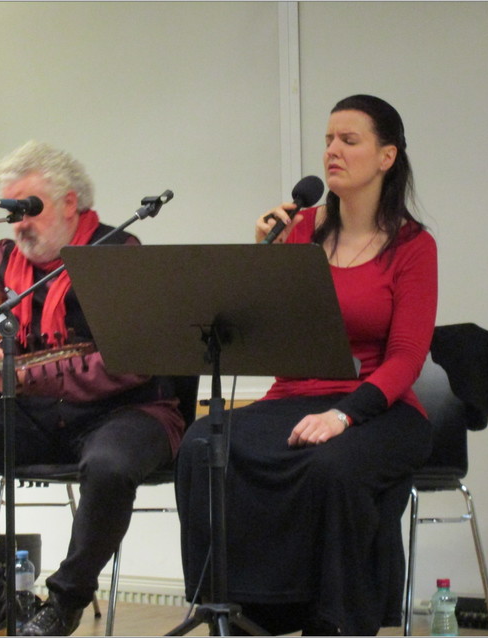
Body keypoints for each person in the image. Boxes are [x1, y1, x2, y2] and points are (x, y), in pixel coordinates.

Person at [175, 95, 437, 635]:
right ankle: (238, 614)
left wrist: (344, 415)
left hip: (379, 408)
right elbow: (262, 331)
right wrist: (262, 257)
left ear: (386, 157)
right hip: (294, 397)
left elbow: (407, 358)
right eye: (327, 140)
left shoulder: (413, 245)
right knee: (202, 443)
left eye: (349, 140)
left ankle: (332, 619)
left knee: (331, 465)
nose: (332, 151)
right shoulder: (298, 231)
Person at [0, 141, 186, 636]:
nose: (19, 224)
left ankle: (65, 600)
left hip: (124, 414)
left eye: (29, 209)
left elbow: (127, 366)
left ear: (69, 203)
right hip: (36, 417)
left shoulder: (118, 254)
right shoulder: (4, 258)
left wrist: (22, 375)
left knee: (109, 462)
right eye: (12, 212)